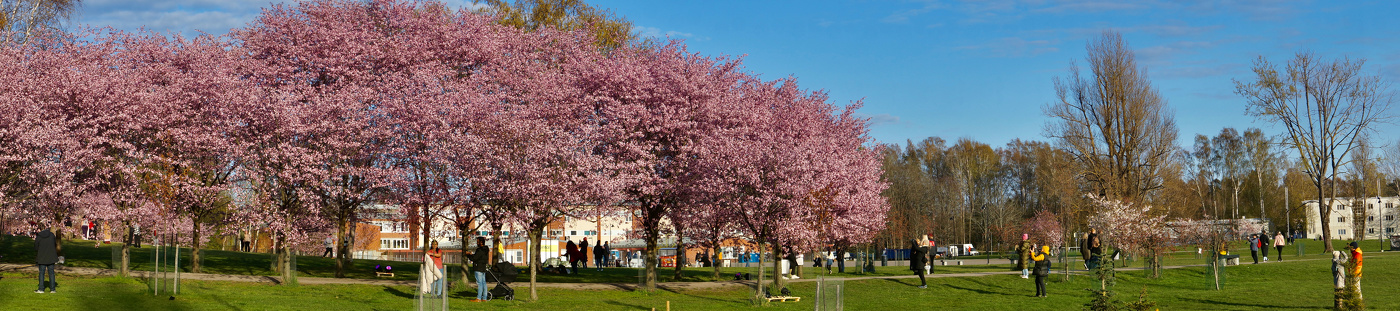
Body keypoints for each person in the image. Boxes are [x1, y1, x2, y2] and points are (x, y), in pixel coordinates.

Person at [34, 227, 58, 294]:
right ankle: (52, 289)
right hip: (51, 257)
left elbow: (36, 247)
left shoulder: (39, 236)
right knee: (51, 273)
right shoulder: (52, 235)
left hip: (42, 257)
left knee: (41, 273)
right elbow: (55, 244)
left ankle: (41, 289)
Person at [470, 237, 490, 302]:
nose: (477, 243)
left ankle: (478, 298)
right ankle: (484, 298)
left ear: (481, 242)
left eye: (478, 242)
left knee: (479, 283)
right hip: (483, 267)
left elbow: (475, 258)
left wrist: (469, 255)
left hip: (478, 267)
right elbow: (479, 257)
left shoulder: (479, 250)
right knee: (484, 283)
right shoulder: (486, 249)